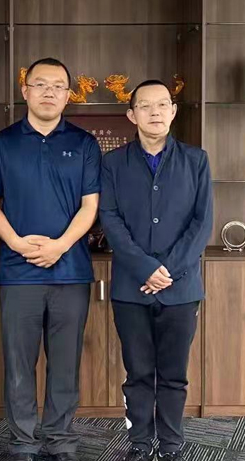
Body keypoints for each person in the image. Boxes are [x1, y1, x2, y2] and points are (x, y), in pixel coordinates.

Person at [0, 57, 101, 461]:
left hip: (70, 271)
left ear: (68, 95)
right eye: (40, 84)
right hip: (17, 273)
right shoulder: (1, 144)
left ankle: (60, 440)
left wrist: (60, 246)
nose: (49, 92)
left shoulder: (84, 144)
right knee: (19, 365)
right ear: (25, 91)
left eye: (57, 86)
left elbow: (90, 206)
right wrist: (18, 244)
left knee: (65, 364)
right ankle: (23, 443)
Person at [99, 79, 213, 461]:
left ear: (173, 111)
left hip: (181, 289)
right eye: (145, 106)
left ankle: (171, 445)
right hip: (131, 289)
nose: (155, 112)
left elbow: (202, 223)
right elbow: (110, 219)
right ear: (131, 115)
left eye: (163, 105)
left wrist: (168, 270)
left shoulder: (196, 160)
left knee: (174, 375)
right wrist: (146, 268)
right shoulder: (113, 163)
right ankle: (139, 444)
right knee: (138, 373)